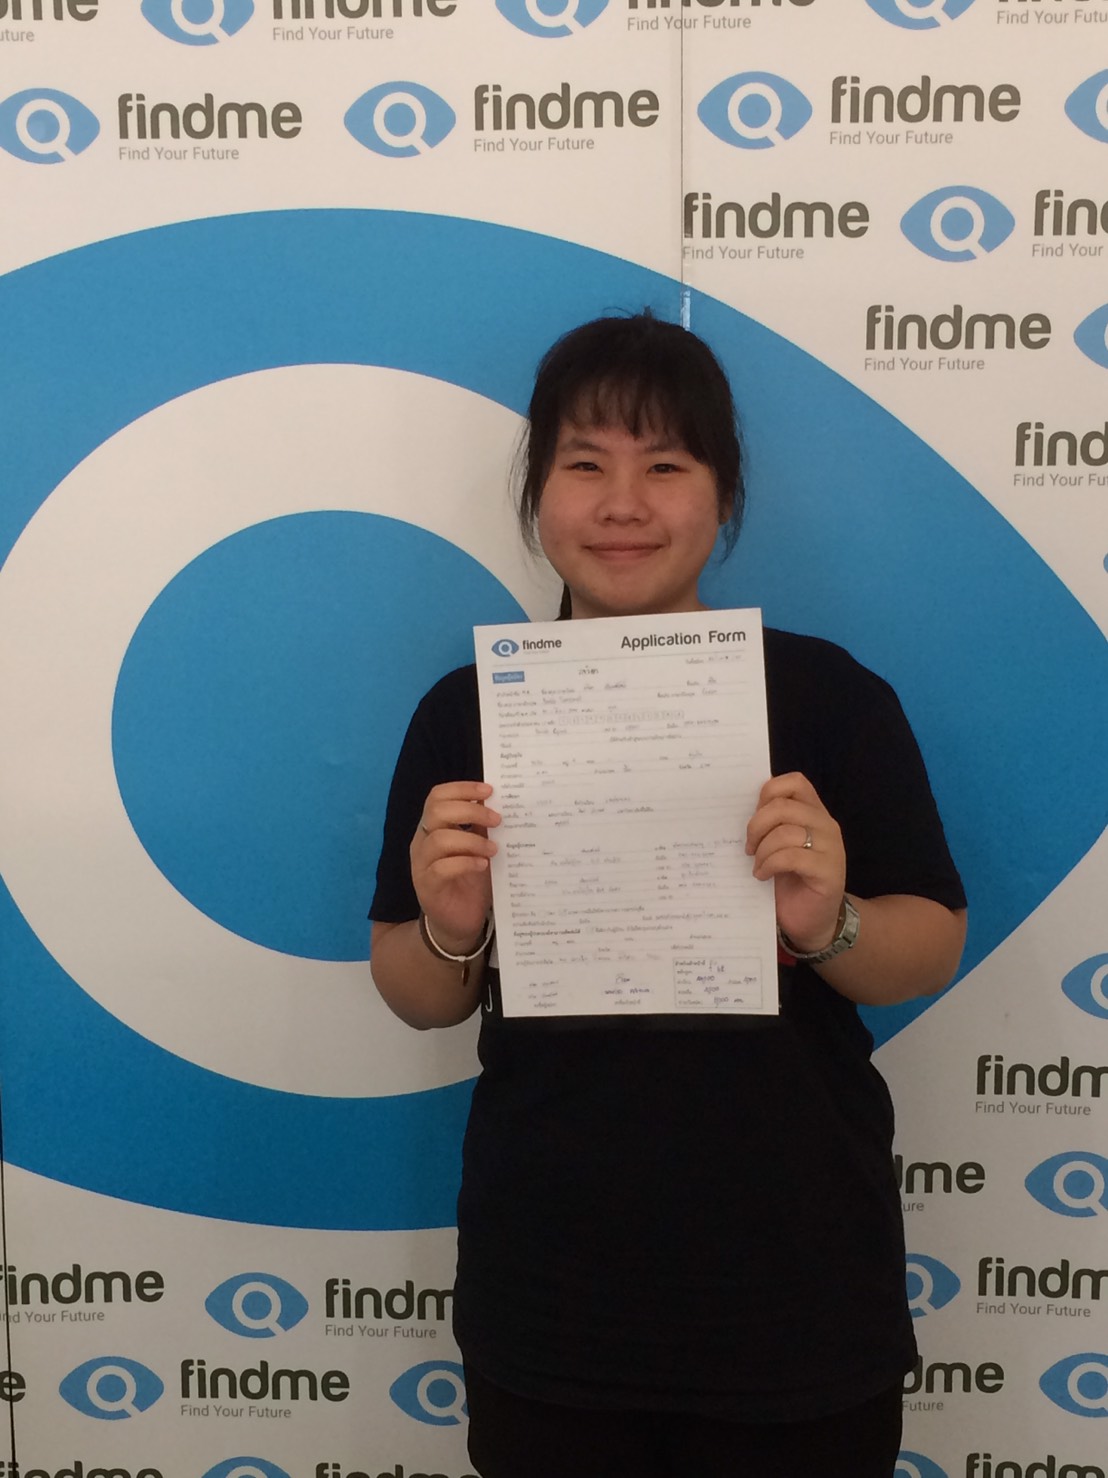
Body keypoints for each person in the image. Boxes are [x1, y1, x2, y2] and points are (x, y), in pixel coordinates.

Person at [369, 313, 966, 1478]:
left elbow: (928, 941)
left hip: (797, 1290)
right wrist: (451, 925)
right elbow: (418, 992)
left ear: (723, 494)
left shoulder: (830, 697)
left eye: (666, 466)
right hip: (551, 1296)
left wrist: (827, 921)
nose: (622, 504)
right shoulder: (467, 711)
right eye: (584, 463)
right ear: (537, 493)